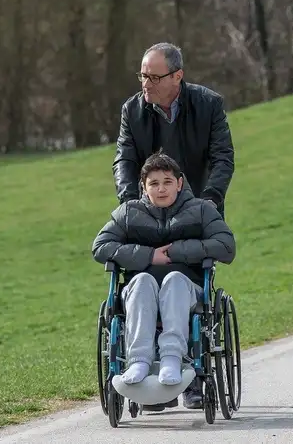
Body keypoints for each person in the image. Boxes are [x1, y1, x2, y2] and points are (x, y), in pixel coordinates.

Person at [93, 153, 236, 408]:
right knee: (143, 282)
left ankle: (172, 358)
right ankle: (139, 361)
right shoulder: (128, 213)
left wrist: (177, 252)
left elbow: (226, 246)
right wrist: (150, 256)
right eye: (154, 183)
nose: (161, 189)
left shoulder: (201, 210)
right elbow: (101, 246)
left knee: (173, 280)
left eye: (167, 182)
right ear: (143, 187)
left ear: (179, 183)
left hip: (187, 289)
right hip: (140, 289)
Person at [113, 42, 234, 219]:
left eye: (154, 78)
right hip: (150, 216)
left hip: (201, 210)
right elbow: (124, 161)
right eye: (143, 76)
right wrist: (130, 204)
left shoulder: (209, 104)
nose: (146, 84)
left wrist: (211, 200)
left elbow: (223, 157)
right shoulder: (131, 111)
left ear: (177, 76)